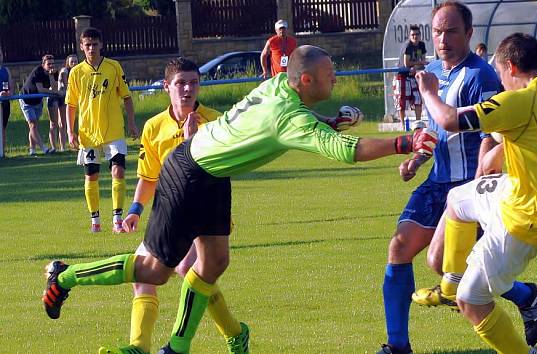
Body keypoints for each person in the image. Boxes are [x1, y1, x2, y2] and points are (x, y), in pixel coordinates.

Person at [42, 45, 437, 354]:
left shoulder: (277, 86)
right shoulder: (290, 117)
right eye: (330, 76)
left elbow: (291, 122)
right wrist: (403, 142)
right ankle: (64, 277)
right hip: (190, 172)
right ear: (305, 81)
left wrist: (327, 122)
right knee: (154, 271)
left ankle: (178, 346)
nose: (335, 80)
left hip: (213, 173)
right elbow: (346, 150)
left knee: (214, 262)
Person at [378, 3, 537, 354]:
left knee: (450, 270)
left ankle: (526, 294)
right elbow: (434, 126)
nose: (443, 38)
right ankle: (397, 346)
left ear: (468, 34)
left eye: (451, 31)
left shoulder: (481, 75)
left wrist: (487, 169)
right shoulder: (433, 71)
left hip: (469, 187)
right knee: (399, 247)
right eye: (437, 31)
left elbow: (490, 131)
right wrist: (418, 157)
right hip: (437, 182)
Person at [416, 32, 537, 354]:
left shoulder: (520, 101)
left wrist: (428, 92)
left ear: (509, 66)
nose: (500, 80)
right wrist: (498, 151)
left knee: (474, 301)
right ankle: (450, 283)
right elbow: (529, 137)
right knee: (458, 199)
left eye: (499, 72)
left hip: (529, 217)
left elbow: (449, 120)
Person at [96, 57, 247, 354]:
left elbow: (221, 171)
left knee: (190, 267)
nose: (188, 89)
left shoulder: (216, 121)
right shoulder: (153, 127)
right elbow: (148, 177)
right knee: (143, 275)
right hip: (170, 215)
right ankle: (139, 346)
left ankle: (233, 334)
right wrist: (135, 210)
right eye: (180, 83)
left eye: (193, 82)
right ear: (167, 87)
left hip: (205, 217)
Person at [66, 27, 139, 233]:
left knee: (119, 171)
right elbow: (71, 105)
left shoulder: (114, 67)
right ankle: (95, 221)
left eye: (94, 44)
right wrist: (71, 132)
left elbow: (126, 97)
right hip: (88, 134)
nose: (91, 48)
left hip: (114, 131)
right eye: (87, 45)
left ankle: (117, 219)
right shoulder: (76, 72)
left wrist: (132, 123)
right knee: (91, 176)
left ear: (101, 45)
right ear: (81, 47)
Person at [19, 54, 59, 156]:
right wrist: (52, 92)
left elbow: (54, 88)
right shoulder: (38, 71)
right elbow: (41, 89)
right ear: (43, 64)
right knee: (32, 125)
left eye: (52, 64)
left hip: (37, 101)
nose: (51, 66)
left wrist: (51, 75)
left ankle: (32, 150)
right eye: (49, 64)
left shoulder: (53, 72)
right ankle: (44, 148)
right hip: (26, 99)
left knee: (34, 126)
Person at [392, 25, 427, 130]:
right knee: (402, 101)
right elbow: (406, 63)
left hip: (413, 75)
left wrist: (416, 65)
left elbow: (423, 61)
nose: (415, 37)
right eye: (413, 35)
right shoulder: (408, 46)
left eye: (417, 34)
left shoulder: (421, 45)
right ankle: (403, 126)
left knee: (418, 99)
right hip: (402, 76)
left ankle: (418, 124)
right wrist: (418, 64)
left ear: (420, 35)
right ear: (409, 36)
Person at [52, 54, 78, 152]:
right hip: (62, 98)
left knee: (71, 122)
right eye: (72, 62)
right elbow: (68, 87)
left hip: (72, 98)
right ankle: (63, 147)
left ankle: (73, 144)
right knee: (62, 123)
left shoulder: (77, 71)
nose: (74, 63)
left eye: (76, 61)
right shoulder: (65, 71)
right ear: (68, 63)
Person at [0, 50, 13, 157]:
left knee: (3, 127)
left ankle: (2, 152)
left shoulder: (6, 70)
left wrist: (8, 93)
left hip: (5, 103)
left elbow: (11, 86)